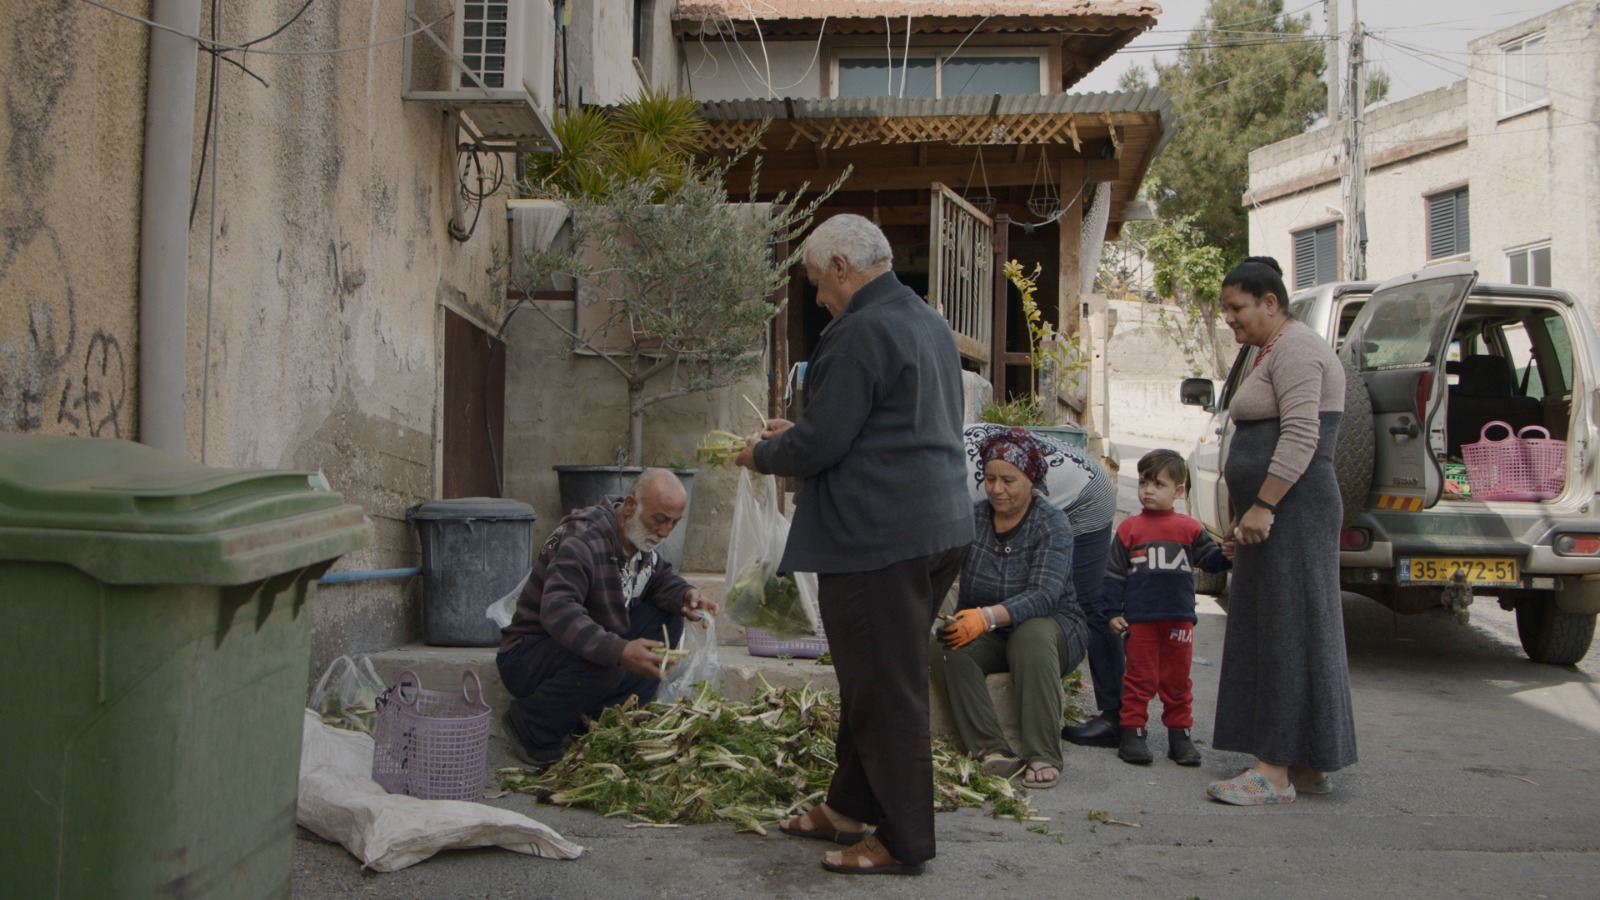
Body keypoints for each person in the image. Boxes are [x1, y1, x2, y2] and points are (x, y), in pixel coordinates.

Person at [735, 213, 972, 877]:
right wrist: (804, 429)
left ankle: (903, 839)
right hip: (936, 527)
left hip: (879, 537)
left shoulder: (858, 329)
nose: (817, 297)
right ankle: (848, 806)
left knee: (886, 691)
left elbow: (821, 444)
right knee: (873, 679)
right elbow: (880, 421)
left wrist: (761, 453)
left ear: (842, 266)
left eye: (816, 281)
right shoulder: (922, 319)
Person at [1208, 256, 1357, 805]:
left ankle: (1272, 775)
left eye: (1237, 307)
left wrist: (1264, 506)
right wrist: (1243, 513)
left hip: (1294, 510)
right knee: (1291, 629)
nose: (1229, 318)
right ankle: (1307, 763)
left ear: (1271, 302)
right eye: (1225, 308)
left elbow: (1301, 437)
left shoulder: (1297, 347)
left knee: (1286, 634)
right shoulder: (1269, 349)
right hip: (1279, 512)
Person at [496, 468, 719, 768]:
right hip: (529, 654)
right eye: (659, 520)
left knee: (668, 617)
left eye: (673, 523)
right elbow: (559, 610)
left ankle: (597, 722)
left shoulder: (638, 537)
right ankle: (532, 726)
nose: (665, 532)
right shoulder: (583, 538)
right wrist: (620, 650)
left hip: (572, 652)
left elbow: (658, 579)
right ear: (630, 506)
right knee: (608, 661)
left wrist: (686, 596)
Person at [932, 428, 1089, 790]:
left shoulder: (1052, 524)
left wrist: (986, 616)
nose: (997, 489)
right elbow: (939, 568)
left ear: (1031, 479)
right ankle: (991, 751)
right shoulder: (973, 518)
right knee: (944, 644)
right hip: (990, 633)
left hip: (1052, 633)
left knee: (1030, 634)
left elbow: (1044, 595)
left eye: (1008, 480)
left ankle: (1043, 754)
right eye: (989, 479)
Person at [961, 424, 1124, 752]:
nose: (997, 487)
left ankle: (1117, 716)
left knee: (1089, 601)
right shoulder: (955, 445)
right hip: (1065, 475)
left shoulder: (968, 484)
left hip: (1087, 493)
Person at [1102, 449, 1230, 767]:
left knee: (1176, 679)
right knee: (1139, 676)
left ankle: (1180, 736)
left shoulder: (1189, 529)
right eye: (1144, 482)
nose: (1147, 490)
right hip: (1140, 620)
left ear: (1179, 491)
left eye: (1158, 484)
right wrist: (1112, 612)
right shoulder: (1129, 529)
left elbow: (1212, 562)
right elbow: (1114, 575)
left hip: (1178, 620)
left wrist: (1229, 552)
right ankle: (1132, 732)